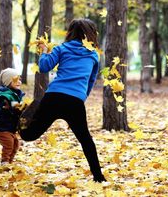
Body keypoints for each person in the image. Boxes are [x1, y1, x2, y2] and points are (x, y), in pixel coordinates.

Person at [20, 19, 106, 182]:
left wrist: (44, 51)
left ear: (70, 33)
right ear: (91, 35)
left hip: (53, 97)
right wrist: (82, 96)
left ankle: (18, 112)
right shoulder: (93, 55)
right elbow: (91, 80)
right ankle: (99, 177)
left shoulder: (62, 48)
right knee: (86, 140)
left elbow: (44, 66)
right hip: (75, 102)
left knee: (28, 134)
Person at [0, 68, 24, 165]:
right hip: (2, 127)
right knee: (9, 145)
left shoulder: (16, 94)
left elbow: (17, 109)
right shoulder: (3, 95)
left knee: (15, 145)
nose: (19, 82)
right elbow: (3, 102)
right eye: (15, 80)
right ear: (8, 82)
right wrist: (11, 105)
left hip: (10, 127)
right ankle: (4, 162)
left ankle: (10, 162)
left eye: (19, 79)